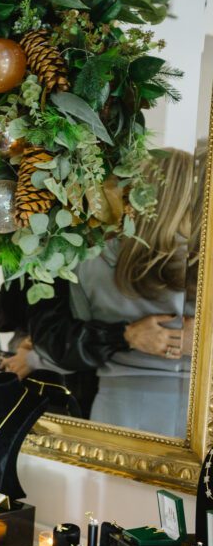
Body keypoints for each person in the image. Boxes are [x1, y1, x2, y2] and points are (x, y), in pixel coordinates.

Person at [60, 148, 197, 436]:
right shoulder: (200, 265)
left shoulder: (89, 257)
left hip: (113, 404)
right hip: (190, 408)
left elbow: (84, 328)